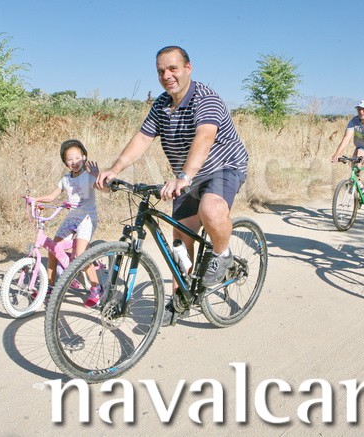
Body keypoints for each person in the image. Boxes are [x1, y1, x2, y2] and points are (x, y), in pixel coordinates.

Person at [96, 46, 249, 326]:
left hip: (223, 166)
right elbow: (143, 138)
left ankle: (223, 254)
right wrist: (114, 169)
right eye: (161, 71)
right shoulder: (161, 104)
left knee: (211, 210)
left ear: (188, 68)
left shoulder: (206, 98)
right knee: (180, 238)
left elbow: (204, 137)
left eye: (173, 68)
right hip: (187, 174)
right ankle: (181, 300)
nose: (167, 75)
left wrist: (185, 177)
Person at [29, 139, 104, 307]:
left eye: (77, 157)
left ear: (84, 157)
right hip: (72, 218)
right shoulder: (65, 179)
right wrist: (35, 199)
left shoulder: (88, 176)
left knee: (80, 254)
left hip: (87, 218)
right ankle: (50, 285)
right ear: (65, 163)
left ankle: (96, 288)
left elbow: (105, 189)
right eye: (70, 159)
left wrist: (97, 176)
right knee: (53, 247)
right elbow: (52, 196)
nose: (74, 162)